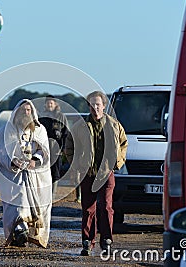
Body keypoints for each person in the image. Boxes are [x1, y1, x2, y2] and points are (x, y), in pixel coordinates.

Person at [64, 91, 128, 256]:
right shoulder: (79, 126)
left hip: (106, 173)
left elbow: (123, 143)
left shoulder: (114, 125)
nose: (95, 108)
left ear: (104, 106)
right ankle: (87, 242)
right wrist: (76, 165)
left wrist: (118, 162)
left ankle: (106, 241)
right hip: (88, 173)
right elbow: (69, 147)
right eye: (92, 105)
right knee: (88, 209)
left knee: (106, 207)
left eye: (98, 104)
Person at [0, 99, 52, 248]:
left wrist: (34, 160)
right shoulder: (6, 131)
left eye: (29, 110)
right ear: (17, 113)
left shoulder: (40, 130)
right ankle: (18, 233)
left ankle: (33, 236)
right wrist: (12, 162)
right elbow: (0, 153)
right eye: (23, 110)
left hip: (35, 175)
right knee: (18, 204)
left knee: (37, 207)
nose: (26, 113)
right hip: (15, 176)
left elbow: (44, 151)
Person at [39, 95, 68, 198]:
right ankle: (43, 195)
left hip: (57, 151)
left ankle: (52, 195)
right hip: (43, 151)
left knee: (55, 174)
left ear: (55, 104)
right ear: (45, 105)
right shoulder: (41, 116)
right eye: (48, 103)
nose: (49, 104)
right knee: (42, 172)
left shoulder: (61, 116)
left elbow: (66, 134)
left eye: (51, 103)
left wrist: (64, 148)